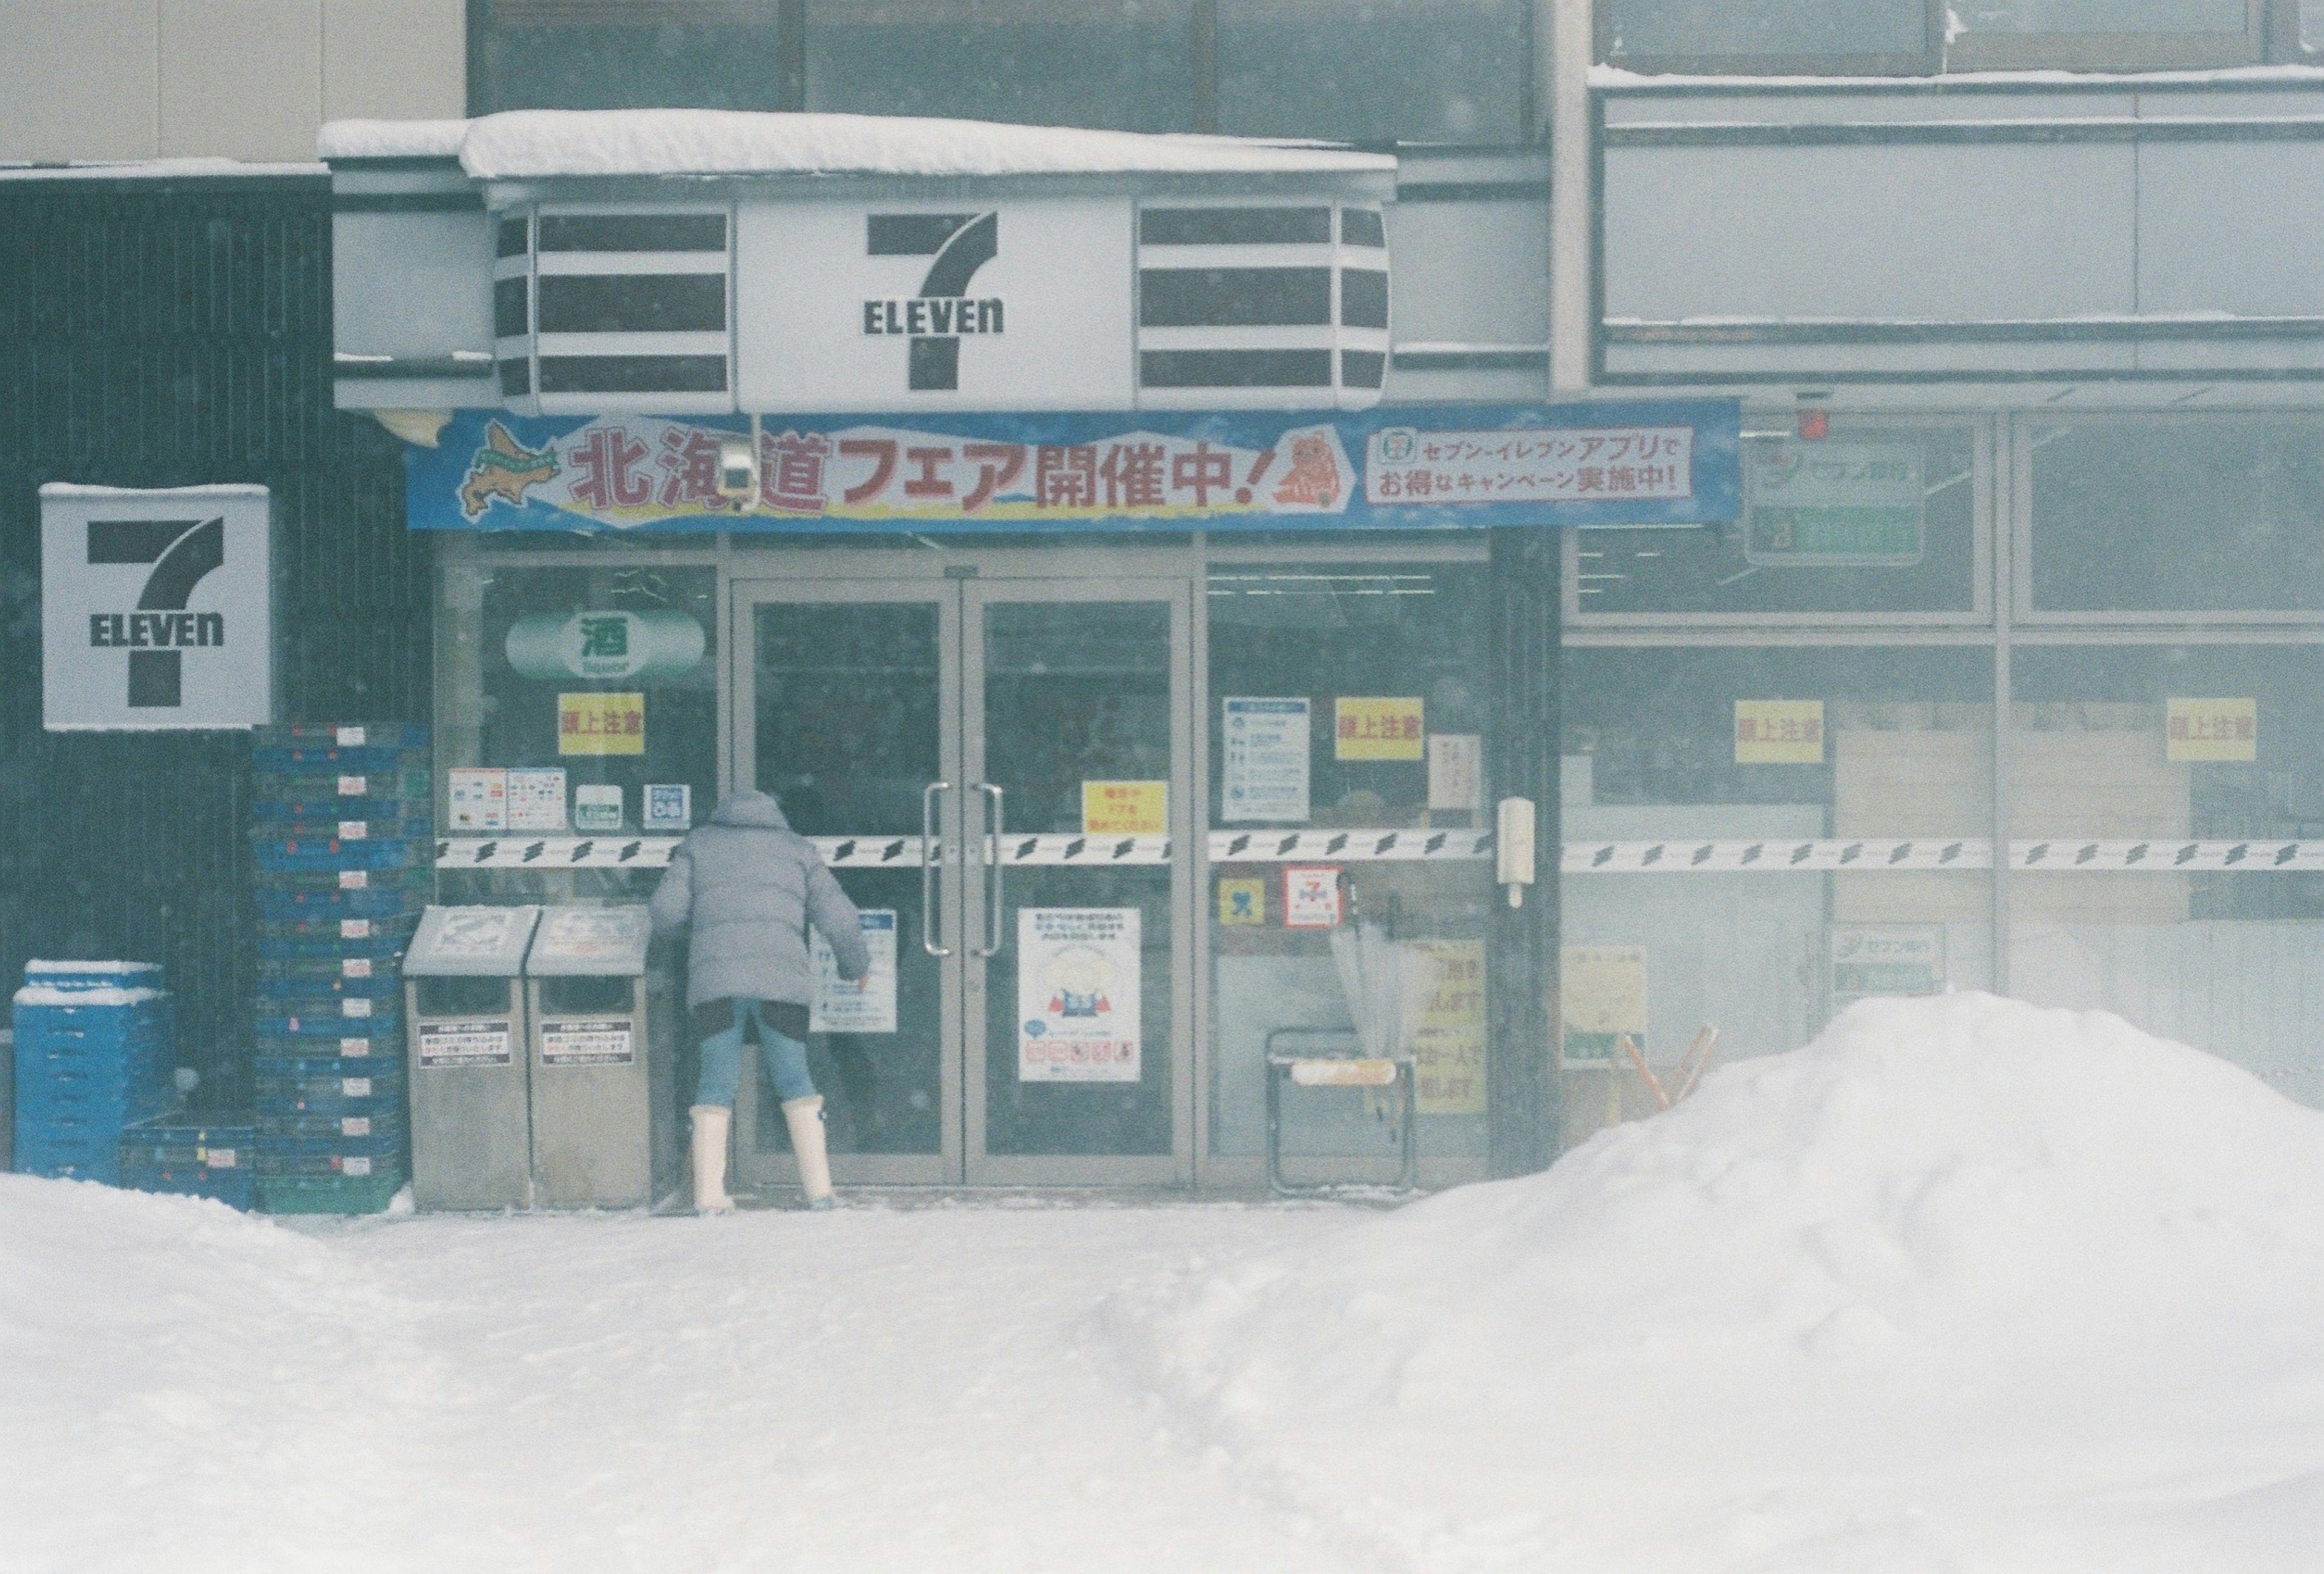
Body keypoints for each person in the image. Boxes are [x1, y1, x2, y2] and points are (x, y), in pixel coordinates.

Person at [649, 789, 869, 1213]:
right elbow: (839, 917)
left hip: (717, 982)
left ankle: (710, 1198)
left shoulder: (699, 845)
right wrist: (855, 965)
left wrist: (693, 938)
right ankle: (820, 1191)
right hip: (781, 983)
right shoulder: (797, 850)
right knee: (795, 1080)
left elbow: (665, 910)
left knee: (715, 1083)